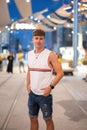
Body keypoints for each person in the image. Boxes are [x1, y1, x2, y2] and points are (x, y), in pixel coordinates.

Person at [26, 29, 64, 130]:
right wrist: (28, 85)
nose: (38, 41)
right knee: (33, 119)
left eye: (41, 39)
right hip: (32, 94)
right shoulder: (29, 54)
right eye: (36, 38)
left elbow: (60, 73)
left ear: (44, 40)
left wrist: (50, 87)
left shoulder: (50, 54)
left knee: (48, 120)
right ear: (33, 40)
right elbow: (29, 70)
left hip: (44, 95)